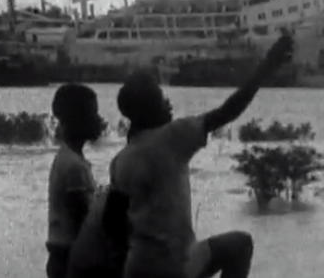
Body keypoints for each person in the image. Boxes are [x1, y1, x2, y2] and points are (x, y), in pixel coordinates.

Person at [103, 32, 295, 278]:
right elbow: (228, 111)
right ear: (149, 109)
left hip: (137, 266)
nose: (168, 105)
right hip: (176, 265)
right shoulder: (172, 137)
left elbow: (111, 221)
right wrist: (266, 67)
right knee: (240, 245)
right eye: (162, 100)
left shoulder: (122, 160)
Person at [46, 83, 106, 278]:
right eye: (93, 114)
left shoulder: (67, 158)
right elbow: (83, 224)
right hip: (70, 260)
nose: (99, 120)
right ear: (78, 120)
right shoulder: (74, 167)